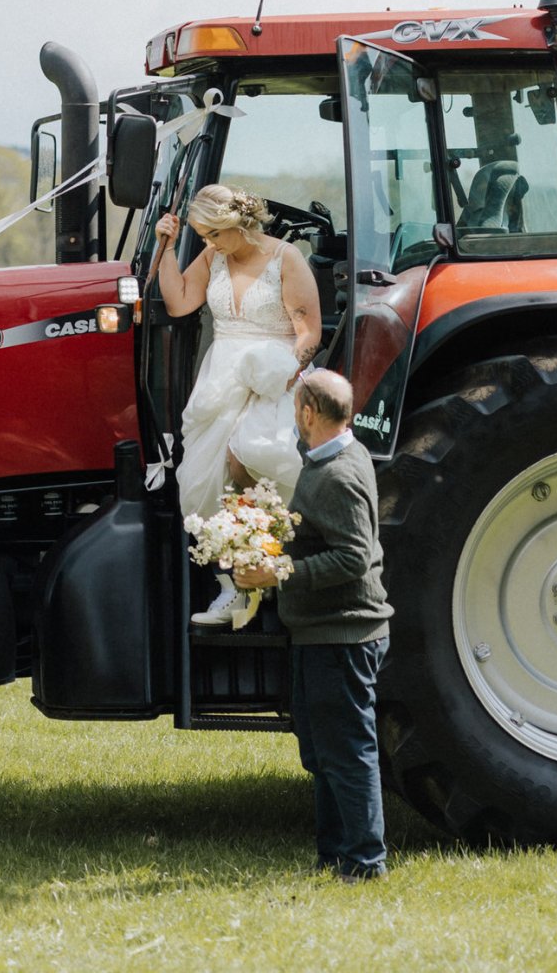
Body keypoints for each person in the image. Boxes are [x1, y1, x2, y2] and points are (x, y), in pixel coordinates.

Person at [234, 369, 393, 881]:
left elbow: (353, 558)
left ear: (306, 413)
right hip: (320, 631)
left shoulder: (340, 473)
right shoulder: (337, 456)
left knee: (347, 754)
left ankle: (366, 863)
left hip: (343, 634)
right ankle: (334, 856)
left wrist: (279, 571)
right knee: (322, 754)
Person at [154, 184, 322, 626]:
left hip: (274, 373)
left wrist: (285, 373)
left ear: (236, 225)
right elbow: (179, 302)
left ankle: (269, 570)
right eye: (202, 236)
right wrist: (166, 249)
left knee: (251, 458)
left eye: (212, 234)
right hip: (222, 376)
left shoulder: (286, 259)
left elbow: (309, 333)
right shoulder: (214, 258)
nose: (207, 243)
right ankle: (234, 586)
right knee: (202, 480)